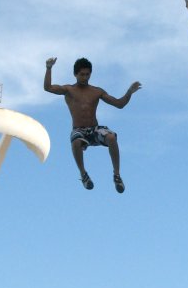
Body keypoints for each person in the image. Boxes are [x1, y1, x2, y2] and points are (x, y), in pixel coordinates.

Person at [44, 57, 142, 193]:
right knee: (76, 141)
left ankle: (117, 175)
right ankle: (83, 174)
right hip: (79, 130)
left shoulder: (96, 91)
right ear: (75, 75)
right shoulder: (69, 90)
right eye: (82, 75)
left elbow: (120, 104)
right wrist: (49, 68)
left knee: (112, 137)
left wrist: (129, 92)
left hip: (94, 129)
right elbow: (48, 88)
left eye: (87, 74)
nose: (85, 77)